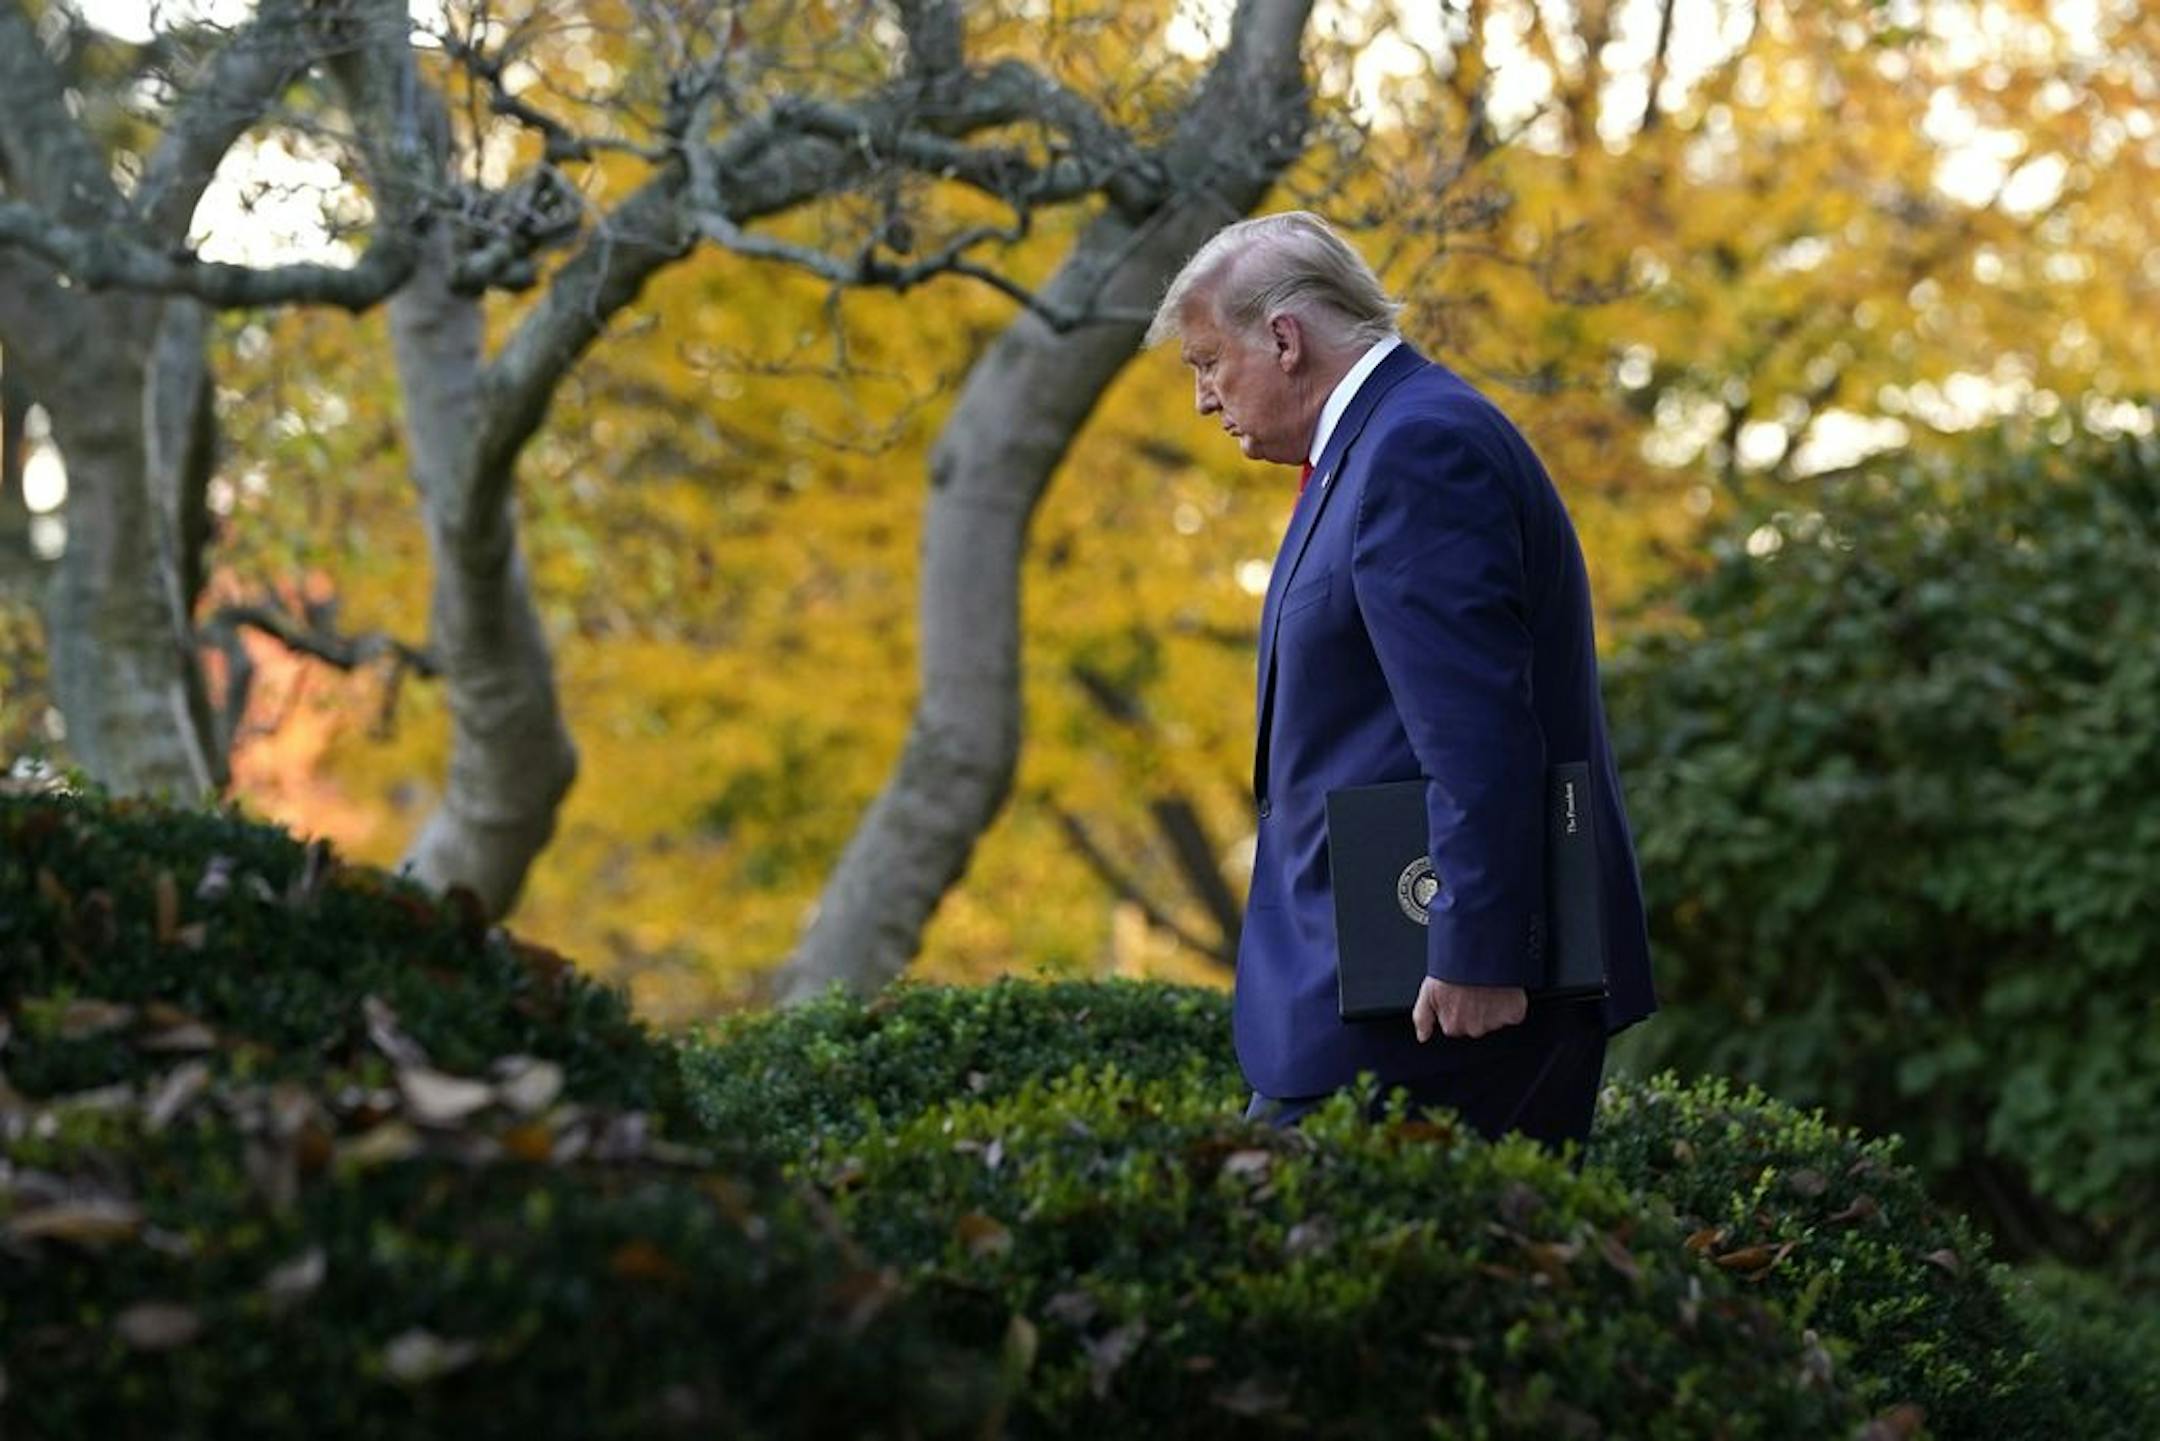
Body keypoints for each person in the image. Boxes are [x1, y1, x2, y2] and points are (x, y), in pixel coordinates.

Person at [1146, 212, 1657, 1155]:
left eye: (1207, 363)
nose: (1204, 400)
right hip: (1402, 990)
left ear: (1285, 340)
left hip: (1440, 1004)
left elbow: (1479, 734)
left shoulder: (1417, 450)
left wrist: (1478, 953)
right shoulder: (1379, 447)